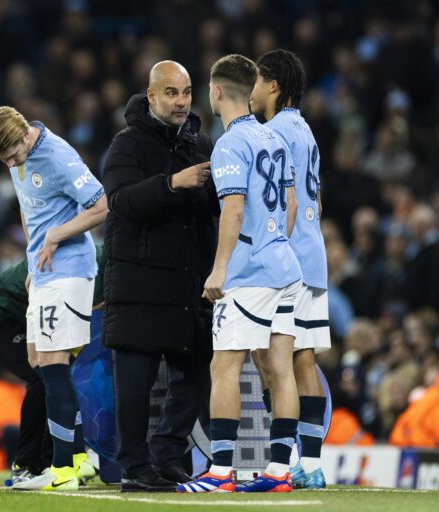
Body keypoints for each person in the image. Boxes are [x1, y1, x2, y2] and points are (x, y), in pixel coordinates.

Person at [178, 54, 301, 494]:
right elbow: (290, 204)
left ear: (215, 92)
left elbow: (233, 208)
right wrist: (275, 243)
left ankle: (221, 472)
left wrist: (220, 270)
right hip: (285, 267)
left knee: (224, 367)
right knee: (280, 368)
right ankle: (280, 471)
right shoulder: (275, 137)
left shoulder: (230, 144)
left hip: (250, 273)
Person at [0, 106, 108, 491]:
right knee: (38, 360)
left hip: (69, 268)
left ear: (24, 136)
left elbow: (101, 206)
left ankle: (62, 468)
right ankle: (79, 458)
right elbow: (27, 205)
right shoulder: (16, 156)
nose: (10, 163)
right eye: (2, 159)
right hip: (45, 271)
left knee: (53, 363)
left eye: (12, 155)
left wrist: (55, 235)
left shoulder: (57, 156)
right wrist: (33, 259)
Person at [101, 60, 216, 493]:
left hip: (187, 285)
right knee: (135, 384)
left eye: (186, 92)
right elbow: (119, 201)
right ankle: (134, 465)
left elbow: (211, 210)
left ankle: (167, 455)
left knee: (194, 373)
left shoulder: (200, 142)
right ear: (151, 96)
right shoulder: (127, 143)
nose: (181, 101)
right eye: (171, 92)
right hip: (139, 285)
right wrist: (171, 184)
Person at [249, 49, 329, 489]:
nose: (252, 91)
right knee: (303, 360)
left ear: (273, 85)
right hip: (313, 255)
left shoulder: (274, 131)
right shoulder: (306, 130)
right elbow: (317, 199)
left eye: (257, 82)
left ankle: (288, 458)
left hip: (288, 261)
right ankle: (310, 464)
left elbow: (285, 203)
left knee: (271, 359)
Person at [0, 245, 105, 485]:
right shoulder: (96, 264)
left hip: (24, 316)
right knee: (45, 375)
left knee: (55, 376)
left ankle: (53, 461)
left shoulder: (99, 259)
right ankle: (26, 463)